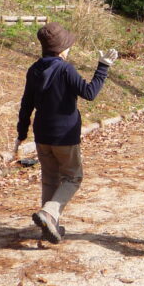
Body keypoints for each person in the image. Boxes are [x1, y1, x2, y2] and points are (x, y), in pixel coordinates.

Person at [15, 22, 118, 245]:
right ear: (62, 49)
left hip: (42, 135)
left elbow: (26, 105)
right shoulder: (65, 69)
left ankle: (47, 227)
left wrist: (21, 133)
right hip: (65, 136)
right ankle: (49, 214)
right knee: (73, 177)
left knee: (50, 180)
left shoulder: (33, 69)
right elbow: (90, 93)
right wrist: (103, 67)